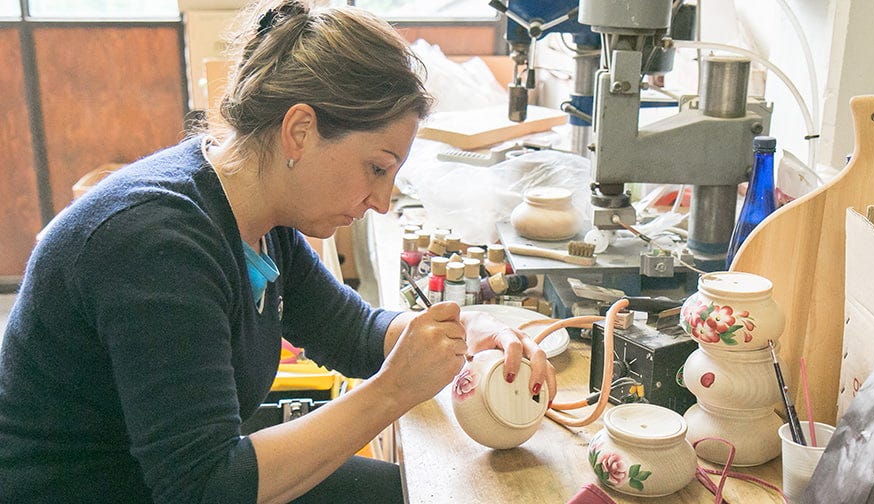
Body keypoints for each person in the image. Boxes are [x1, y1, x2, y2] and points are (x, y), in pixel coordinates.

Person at [0, 1, 556, 503]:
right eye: (377, 168)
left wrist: (462, 333)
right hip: (100, 489)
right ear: (299, 131)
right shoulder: (156, 244)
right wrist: (391, 393)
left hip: (169, 478)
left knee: (437, 493)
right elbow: (208, 487)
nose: (383, 202)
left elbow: (354, 331)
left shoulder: (257, 211)